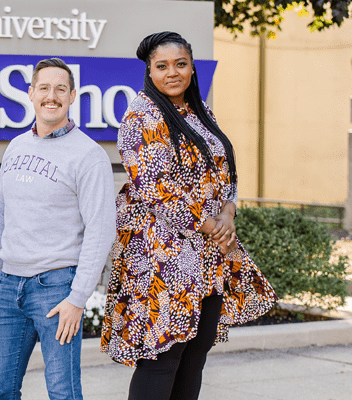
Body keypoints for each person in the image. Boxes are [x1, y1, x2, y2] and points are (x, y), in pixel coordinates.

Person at [101, 31, 277, 400]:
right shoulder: (141, 116)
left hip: (210, 255)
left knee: (196, 352)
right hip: (164, 256)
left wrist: (228, 211)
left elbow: (224, 172)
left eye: (180, 64)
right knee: (165, 353)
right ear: (150, 71)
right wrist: (213, 226)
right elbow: (155, 189)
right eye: (162, 66)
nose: (172, 73)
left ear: (192, 67)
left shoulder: (200, 112)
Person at [0, 57, 117, 400]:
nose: (51, 95)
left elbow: (101, 231)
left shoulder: (89, 155)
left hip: (56, 290)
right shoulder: (16, 147)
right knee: (0, 389)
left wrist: (77, 298)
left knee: (63, 392)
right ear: (30, 93)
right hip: (9, 288)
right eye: (44, 87)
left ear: (72, 96)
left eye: (60, 88)